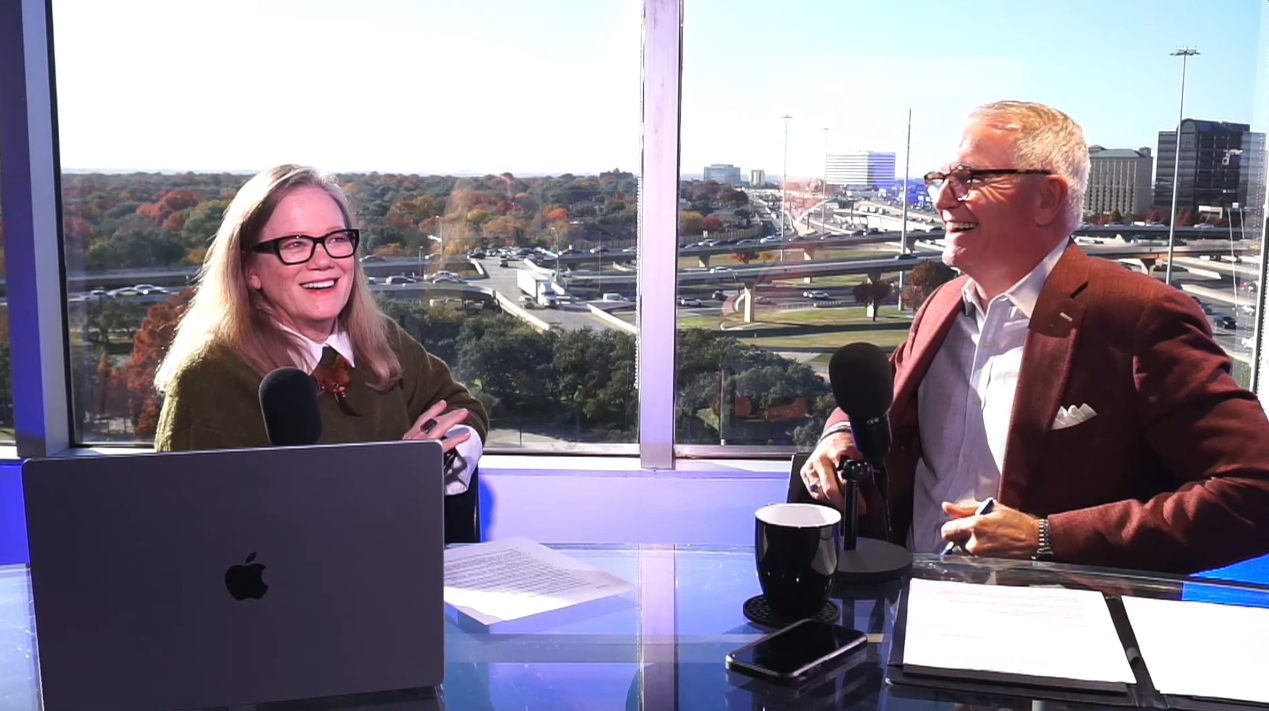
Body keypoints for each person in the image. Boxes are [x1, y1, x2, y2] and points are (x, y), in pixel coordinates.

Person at [800, 101, 1269, 574]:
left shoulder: (1140, 316)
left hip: (1051, 613)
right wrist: (839, 434)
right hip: (911, 593)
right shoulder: (943, 304)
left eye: (970, 178)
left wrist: (1046, 538)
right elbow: (878, 397)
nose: (943, 201)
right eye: (940, 179)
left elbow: (1255, 491)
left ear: (1047, 198)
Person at [154, 165, 488, 496]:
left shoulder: (380, 338)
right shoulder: (208, 377)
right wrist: (395, 476)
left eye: (336, 239)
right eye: (295, 244)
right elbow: (199, 517)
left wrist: (438, 450)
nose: (323, 260)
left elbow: (462, 407)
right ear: (250, 269)